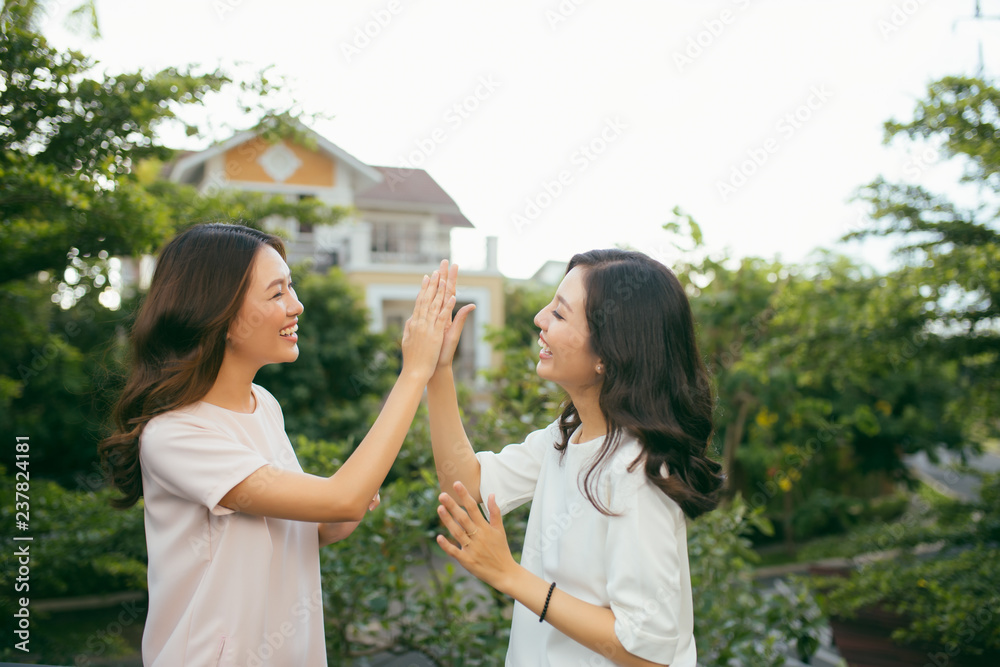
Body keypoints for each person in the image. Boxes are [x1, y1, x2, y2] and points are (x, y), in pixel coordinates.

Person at [98, 222, 455, 666]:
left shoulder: (263, 405)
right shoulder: (175, 435)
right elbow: (340, 499)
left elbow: (319, 524)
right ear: (221, 316)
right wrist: (414, 372)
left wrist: (352, 503)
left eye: (291, 288)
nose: (296, 305)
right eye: (276, 293)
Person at [428, 250, 724, 666]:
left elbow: (646, 652)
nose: (539, 318)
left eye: (560, 315)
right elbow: (465, 484)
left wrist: (509, 575)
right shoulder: (567, 437)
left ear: (609, 352)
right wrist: (438, 369)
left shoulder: (637, 473)